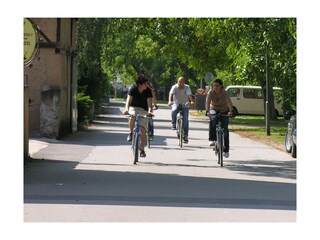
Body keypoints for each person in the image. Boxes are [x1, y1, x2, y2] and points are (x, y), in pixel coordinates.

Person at [123, 74, 153, 157]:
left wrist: (150, 112)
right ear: (140, 84)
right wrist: (126, 109)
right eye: (145, 83)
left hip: (143, 109)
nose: (147, 84)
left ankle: (142, 150)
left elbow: (150, 105)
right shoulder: (133, 89)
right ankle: (131, 132)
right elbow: (128, 101)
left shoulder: (148, 91)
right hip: (133, 107)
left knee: (143, 131)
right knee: (132, 115)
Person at [205, 79, 233, 158]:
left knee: (225, 130)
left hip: (224, 110)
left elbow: (229, 102)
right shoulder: (211, 92)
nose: (215, 87)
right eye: (214, 86)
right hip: (213, 109)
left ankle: (226, 150)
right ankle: (213, 139)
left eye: (217, 86)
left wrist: (230, 111)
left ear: (221, 86)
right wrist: (208, 111)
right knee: (213, 120)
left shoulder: (225, 93)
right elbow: (207, 101)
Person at [168, 76, 194, 143]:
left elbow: (189, 95)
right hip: (176, 103)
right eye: (178, 81)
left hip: (185, 104)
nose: (179, 83)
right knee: (174, 110)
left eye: (181, 82)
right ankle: (173, 123)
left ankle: (185, 135)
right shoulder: (174, 87)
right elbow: (171, 94)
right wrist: (169, 101)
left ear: (184, 82)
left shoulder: (187, 87)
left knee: (185, 119)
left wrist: (191, 101)